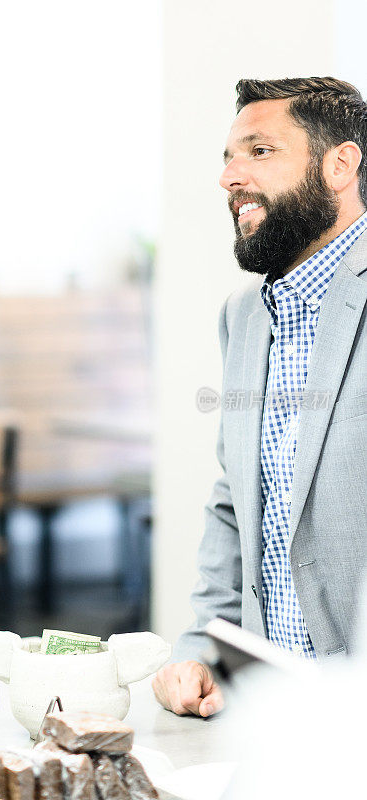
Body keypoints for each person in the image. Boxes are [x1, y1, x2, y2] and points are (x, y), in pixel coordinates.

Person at [153, 77, 367, 718]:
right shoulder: (244, 315)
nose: (230, 177)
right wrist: (202, 648)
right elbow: (236, 503)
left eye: (260, 151)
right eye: (227, 157)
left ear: (340, 164)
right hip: (270, 713)